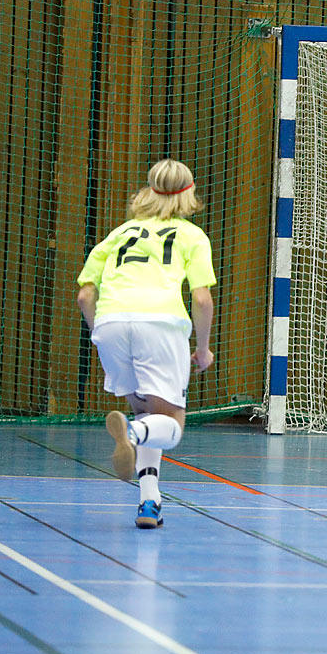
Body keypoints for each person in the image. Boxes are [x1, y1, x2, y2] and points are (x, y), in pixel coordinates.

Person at [76, 158, 216, 529]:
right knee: (169, 424)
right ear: (189, 193)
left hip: (110, 322)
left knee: (145, 411)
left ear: (148, 190)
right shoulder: (190, 235)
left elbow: (85, 296)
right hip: (160, 323)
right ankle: (132, 434)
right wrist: (202, 350)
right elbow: (202, 299)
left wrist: (100, 335)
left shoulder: (119, 234)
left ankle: (149, 502)